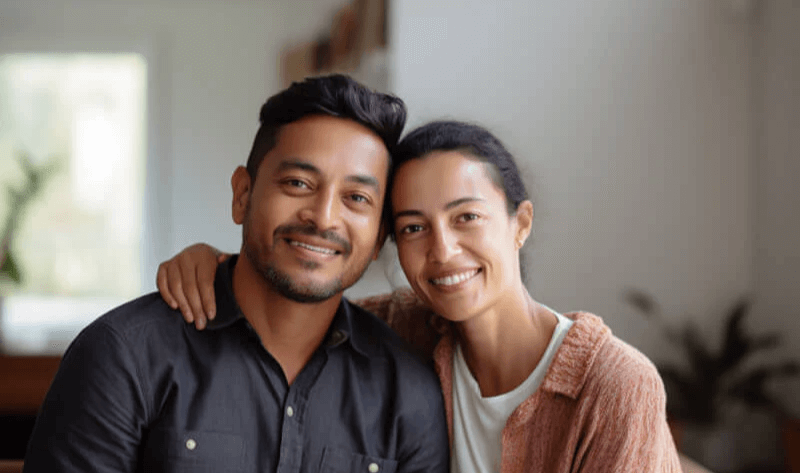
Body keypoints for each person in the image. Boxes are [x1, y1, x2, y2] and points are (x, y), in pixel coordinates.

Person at [158, 120, 683, 472]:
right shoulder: (404, 329)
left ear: (520, 223)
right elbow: (295, 309)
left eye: (466, 217)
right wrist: (216, 264)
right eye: (413, 228)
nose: (443, 251)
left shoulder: (613, 385)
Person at [23, 75, 449, 473]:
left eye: (356, 198)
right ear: (243, 195)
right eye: (298, 183)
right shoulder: (124, 357)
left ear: (378, 238)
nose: (323, 217)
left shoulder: (409, 395)